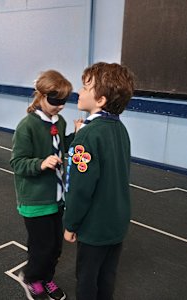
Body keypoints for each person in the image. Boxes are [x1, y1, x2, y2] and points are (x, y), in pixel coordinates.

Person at [63, 62, 135, 300]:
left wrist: (71, 223)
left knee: (86, 279)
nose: (80, 93)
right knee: (107, 277)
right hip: (117, 221)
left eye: (85, 88)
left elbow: (79, 188)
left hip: (94, 226)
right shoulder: (119, 129)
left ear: (101, 100)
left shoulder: (87, 135)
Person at [10, 70, 79, 300]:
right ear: (40, 96)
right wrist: (41, 163)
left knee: (56, 247)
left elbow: (60, 149)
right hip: (35, 200)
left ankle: (47, 279)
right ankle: (30, 277)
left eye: (64, 102)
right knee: (42, 247)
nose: (60, 106)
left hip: (56, 198)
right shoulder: (27, 126)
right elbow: (17, 162)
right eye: (55, 101)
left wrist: (75, 137)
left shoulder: (59, 121)